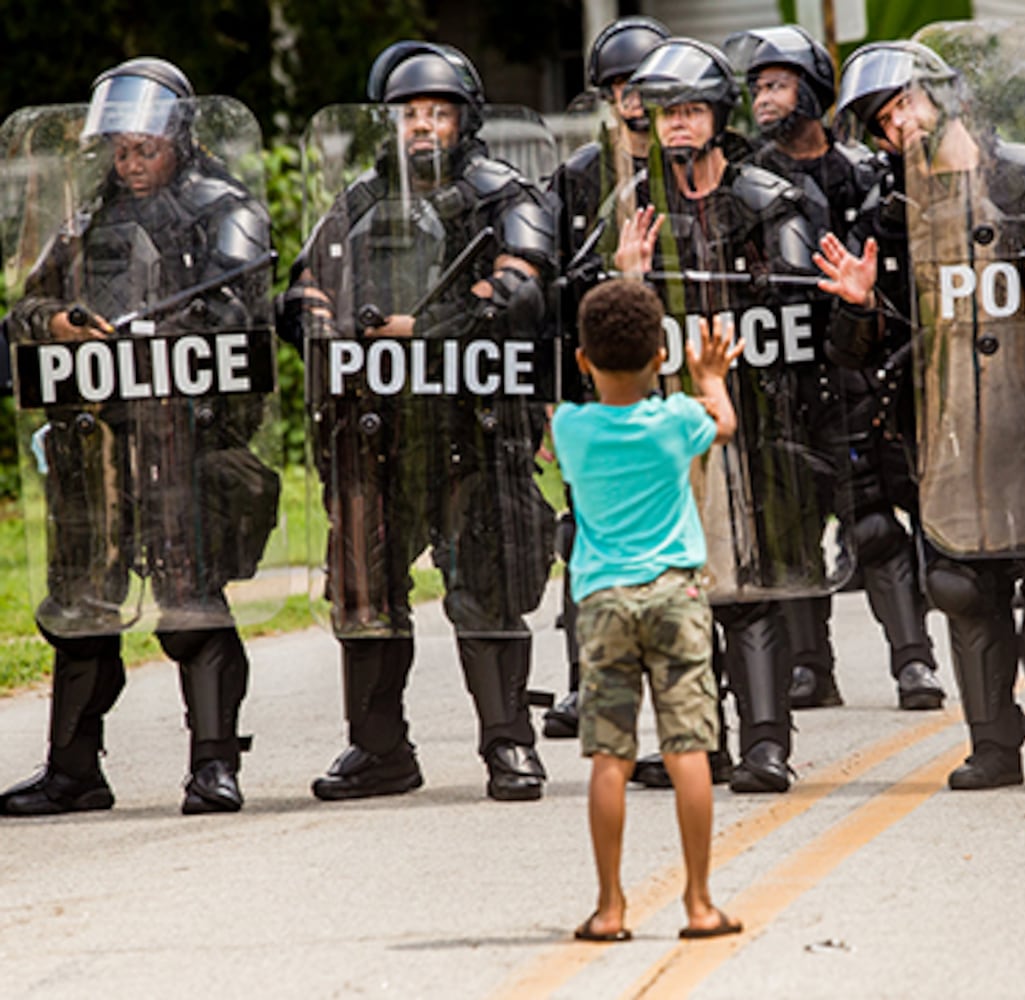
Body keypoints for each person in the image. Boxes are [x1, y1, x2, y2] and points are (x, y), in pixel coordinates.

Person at [820, 38, 1025, 792]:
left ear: (945, 94)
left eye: (903, 104)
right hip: (947, 429)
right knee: (962, 584)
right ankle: (993, 745)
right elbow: (856, 350)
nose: (895, 126)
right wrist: (862, 305)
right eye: (880, 121)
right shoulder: (887, 206)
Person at [277, 41, 561, 802]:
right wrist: (313, 318)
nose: (423, 126)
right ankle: (378, 750)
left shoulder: (505, 195)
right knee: (362, 591)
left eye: (438, 112)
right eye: (411, 114)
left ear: (465, 119)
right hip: (373, 432)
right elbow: (301, 289)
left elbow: (523, 292)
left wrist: (426, 332)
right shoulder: (360, 201)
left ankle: (509, 745)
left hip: (476, 427)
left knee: (485, 587)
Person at [0, 57, 276, 815]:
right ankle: (73, 771)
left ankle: (215, 765)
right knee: (81, 606)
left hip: (187, 441)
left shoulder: (224, 208)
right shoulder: (89, 221)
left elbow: (242, 319)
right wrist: (55, 324)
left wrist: (149, 334)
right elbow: (24, 312)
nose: (130, 162)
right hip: (99, 449)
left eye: (144, 146)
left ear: (178, 138)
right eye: (119, 149)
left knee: (193, 603)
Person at [617, 37, 829, 794]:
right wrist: (626, 278)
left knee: (751, 586)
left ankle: (767, 745)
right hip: (661, 430)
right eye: (666, 113)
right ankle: (697, 744)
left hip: (755, 423)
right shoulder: (632, 206)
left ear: (717, 117)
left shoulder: (766, 197)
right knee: (678, 591)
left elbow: (804, 302)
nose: (677, 126)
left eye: (692, 110)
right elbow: (588, 321)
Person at [725, 24, 946, 713]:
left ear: (815, 91)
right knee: (787, 523)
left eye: (779, 82)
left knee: (874, 520)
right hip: (775, 369)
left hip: (854, 364)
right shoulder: (743, 178)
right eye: (758, 84)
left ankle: (914, 663)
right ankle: (808, 667)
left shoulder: (867, 172)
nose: (764, 96)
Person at [554, 278, 743, 942]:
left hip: (604, 600)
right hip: (676, 593)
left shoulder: (569, 427)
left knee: (611, 756)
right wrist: (710, 374)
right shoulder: (677, 421)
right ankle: (698, 904)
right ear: (661, 358)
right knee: (688, 747)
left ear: (583, 361)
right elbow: (722, 421)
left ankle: (610, 908)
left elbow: (571, 420)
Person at [542, 14, 674, 741]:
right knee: (585, 530)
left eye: (644, 85)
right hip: (602, 379)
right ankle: (583, 680)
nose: (633, 99)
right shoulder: (576, 179)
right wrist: (553, 400)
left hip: (683, 371)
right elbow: (554, 299)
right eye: (620, 86)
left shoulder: (693, 159)